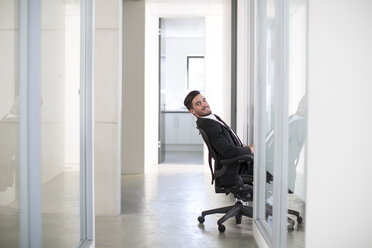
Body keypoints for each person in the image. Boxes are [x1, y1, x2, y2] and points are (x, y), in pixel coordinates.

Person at [183, 90, 254, 174]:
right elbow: (227, 151)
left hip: (240, 163)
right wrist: (250, 150)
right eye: (198, 104)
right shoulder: (208, 125)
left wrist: (247, 148)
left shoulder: (211, 119)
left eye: (204, 100)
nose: (205, 104)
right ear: (192, 111)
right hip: (237, 168)